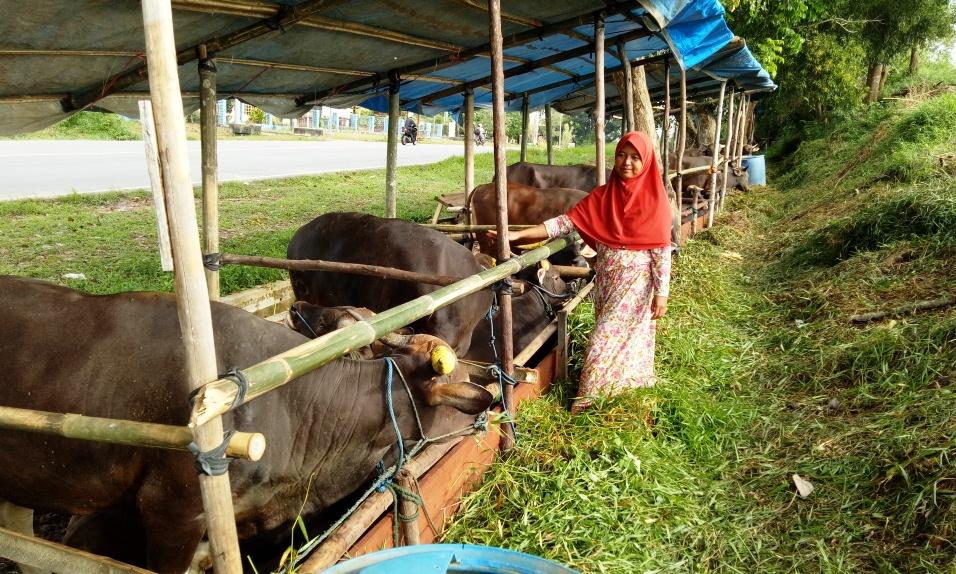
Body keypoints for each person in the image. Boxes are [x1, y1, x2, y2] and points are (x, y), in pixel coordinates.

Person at [489, 131, 672, 413]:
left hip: (637, 285)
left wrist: (661, 293)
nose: (627, 162)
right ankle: (623, 390)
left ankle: (586, 404)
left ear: (646, 162)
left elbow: (661, 252)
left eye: (635, 157)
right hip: (607, 282)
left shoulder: (655, 201)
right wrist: (515, 236)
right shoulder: (603, 196)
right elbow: (562, 224)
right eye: (622, 155)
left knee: (603, 341)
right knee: (620, 339)